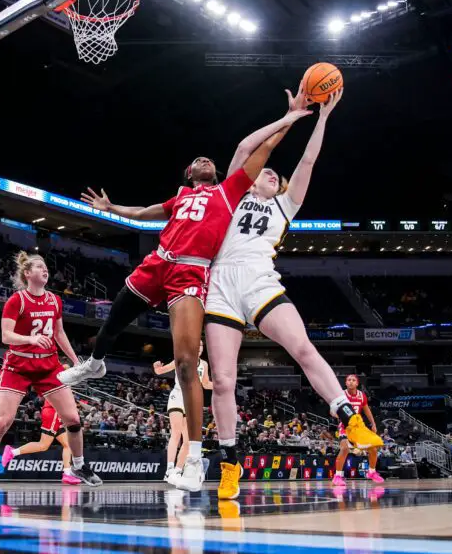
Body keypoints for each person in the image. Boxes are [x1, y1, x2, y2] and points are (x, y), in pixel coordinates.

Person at [60, 96, 311, 491]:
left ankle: (194, 459)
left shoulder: (229, 191)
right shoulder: (180, 196)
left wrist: (290, 119)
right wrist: (111, 208)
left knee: (185, 361)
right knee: (113, 319)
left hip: (192, 271)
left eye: (209, 159)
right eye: (198, 160)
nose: (204, 159)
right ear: (189, 173)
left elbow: (262, 150)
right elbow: (144, 213)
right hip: (159, 261)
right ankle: (95, 362)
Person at [201, 89, 381, 499]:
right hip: (221, 285)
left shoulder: (284, 206)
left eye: (274, 175)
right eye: (265, 172)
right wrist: (289, 117)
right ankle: (230, 463)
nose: (269, 173)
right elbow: (246, 146)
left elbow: (308, 160)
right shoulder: (235, 193)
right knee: (224, 382)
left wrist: (322, 118)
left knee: (302, 348)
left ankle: (348, 416)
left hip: (261, 279)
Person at [0, 252, 102, 493]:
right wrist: (30, 338)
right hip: (18, 366)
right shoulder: (16, 300)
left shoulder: (54, 300)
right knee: (1, 423)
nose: (45, 270)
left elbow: (59, 334)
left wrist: (76, 361)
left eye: (45, 267)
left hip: (48, 366)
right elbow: (5, 336)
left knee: (73, 419)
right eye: (39, 267)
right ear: (27, 274)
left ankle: (79, 466)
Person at [152, 342, 212, 483]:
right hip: (178, 396)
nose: (199, 348)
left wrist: (222, 384)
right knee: (176, 432)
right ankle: (169, 469)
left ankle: (178, 471)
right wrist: (157, 367)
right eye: (197, 345)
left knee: (188, 441)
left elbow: (206, 384)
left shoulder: (204, 364)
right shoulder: (181, 358)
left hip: (191, 401)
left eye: (202, 346)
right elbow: (160, 371)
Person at [333, 374, 384, 486]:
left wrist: (373, 424)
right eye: (348, 380)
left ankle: (371, 472)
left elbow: (367, 411)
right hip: (345, 426)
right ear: (346, 383)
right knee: (345, 449)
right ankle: (337, 476)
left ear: (357, 383)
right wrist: (340, 416)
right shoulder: (341, 395)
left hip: (359, 427)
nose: (351, 382)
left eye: (353, 380)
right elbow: (332, 411)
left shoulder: (362, 395)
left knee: (373, 449)